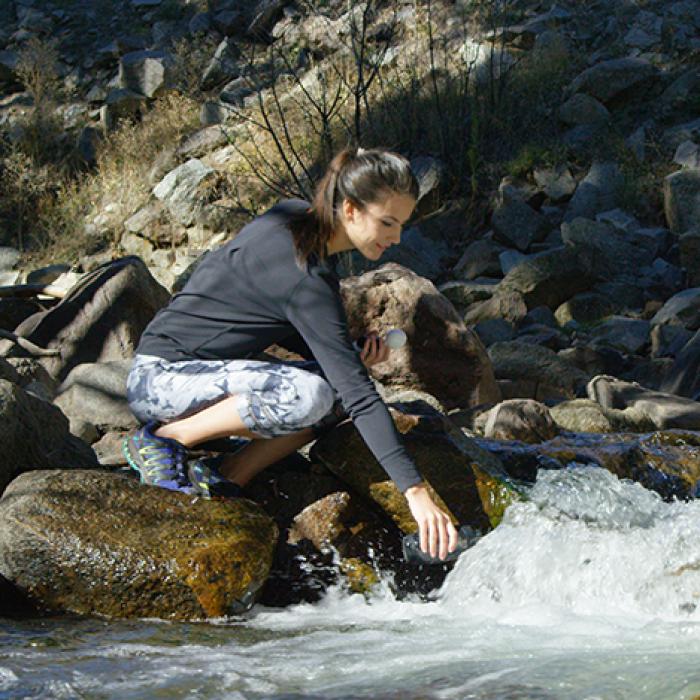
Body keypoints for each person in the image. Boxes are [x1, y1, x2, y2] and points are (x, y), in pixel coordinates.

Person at [123, 146, 458, 560]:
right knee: (313, 394)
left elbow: (267, 311)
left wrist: (344, 353)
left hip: (193, 376)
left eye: (402, 224)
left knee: (331, 390)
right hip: (161, 379)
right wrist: (416, 493)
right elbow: (357, 393)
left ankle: (229, 477)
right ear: (350, 209)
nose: (396, 237)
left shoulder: (290, 216)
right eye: (387, 222)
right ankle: (164, 439)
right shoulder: (307, 276)